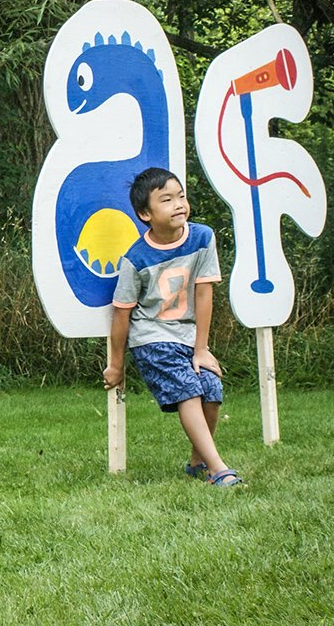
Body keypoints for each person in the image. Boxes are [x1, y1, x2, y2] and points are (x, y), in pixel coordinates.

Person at [103, 168, 244, 487]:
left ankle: (197, 462)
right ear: (145, 214)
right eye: (166, 200)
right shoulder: (135, 259)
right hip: (152, 339)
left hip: (189, 337)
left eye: (181, 196)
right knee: (188, 390)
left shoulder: (202, 237)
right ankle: (219, 469)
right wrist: (116, 365)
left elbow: (204, 292)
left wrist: (202, 348)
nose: (179, 204)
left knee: (211, 388)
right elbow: (121, 315)